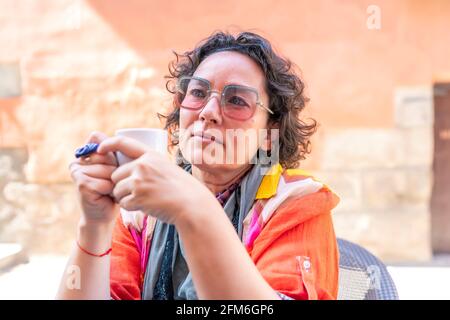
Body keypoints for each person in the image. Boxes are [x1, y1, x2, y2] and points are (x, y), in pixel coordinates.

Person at [57, 31, 340, 300]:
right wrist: (94, 225)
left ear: (269, 135)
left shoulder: (296, 204)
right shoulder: (141, 212)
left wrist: (195, 206)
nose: (208, 113)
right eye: (197, 93)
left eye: (237, 100)